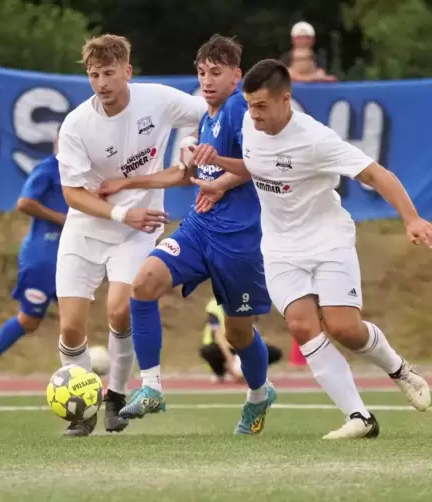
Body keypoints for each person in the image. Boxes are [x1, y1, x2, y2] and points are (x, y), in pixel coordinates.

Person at [190, 59, 432, 439]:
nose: (253, 115)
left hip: (328, 240)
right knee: (300, 324)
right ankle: (360, 417)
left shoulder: (315, 139)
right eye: (250, 105)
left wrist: (411, 219)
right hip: (279, 247)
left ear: (285, 100)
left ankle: (398, 369)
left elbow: (377, 174)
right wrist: (220, 175)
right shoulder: (249, 122)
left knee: (344, 328)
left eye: (262, 106)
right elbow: (256, 165)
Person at [98, 35, 277, 435]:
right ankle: (152, 387)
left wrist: (219, 186)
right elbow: (189, 175)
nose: (207, 80)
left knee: (237, 332)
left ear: (236, 75)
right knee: (143, 283)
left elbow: (258, 165)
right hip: (199, 228)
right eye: (202, 73)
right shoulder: (207, 117)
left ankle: (259, 394)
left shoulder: (238, 111)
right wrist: (127, 184)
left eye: (216, 72)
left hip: (239, 238)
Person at [54, 34, 206, 437]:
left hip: (138, 230)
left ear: (127, 72)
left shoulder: (156, 99)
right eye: (93, 75)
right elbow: (73, 193)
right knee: (71, 328)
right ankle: (82, 404)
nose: (101, 83)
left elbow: (205, 112)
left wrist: (189, 145)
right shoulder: (76, 124)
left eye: (108, 73)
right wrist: (123, 211)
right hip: (86, 230)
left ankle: (115, 396)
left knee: (120, 309)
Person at [0, 139, 66, 403]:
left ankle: (83, 378)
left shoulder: (83, 171)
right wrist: (62, 219)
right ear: (59, 142)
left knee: (73, 318)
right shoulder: (48, 169)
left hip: (68, 256)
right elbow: (24, 202)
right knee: (30, 319)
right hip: (41, 257)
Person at [200, 298, 283, 383]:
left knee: (272, 352)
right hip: (224, 347)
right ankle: (221, 372)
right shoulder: (215, 305)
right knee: (209, 351)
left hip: (243, 345)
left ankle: (252, 373)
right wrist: (230, 360)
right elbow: (218, 334)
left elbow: (253, 331)